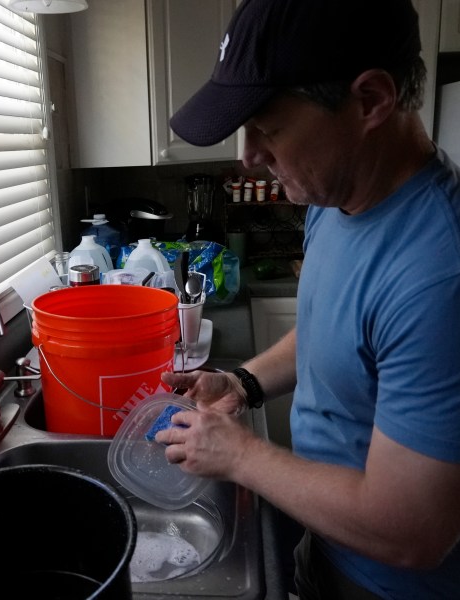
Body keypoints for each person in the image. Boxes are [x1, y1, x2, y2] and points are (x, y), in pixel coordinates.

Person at [157, 0, 460, 598]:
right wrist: (242, 382)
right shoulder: (337, 196)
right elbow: (333, 331)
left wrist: (241, 456)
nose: (247, 155)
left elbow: (413, 533)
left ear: (370, 101)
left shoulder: (438, 274)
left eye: (268, 127)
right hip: (327, 549)